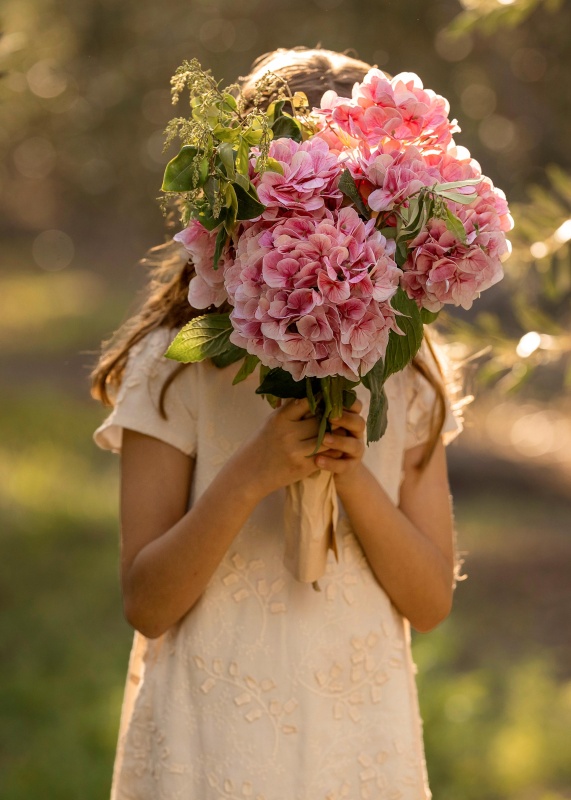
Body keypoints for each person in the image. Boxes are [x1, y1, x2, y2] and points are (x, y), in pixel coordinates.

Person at [92, 47, 464, 800]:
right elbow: (147, 604)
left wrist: (351, 474)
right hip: (212, 739)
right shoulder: (178, 366)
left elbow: (429, 602)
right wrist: (251, 473)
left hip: (356, 742)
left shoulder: (406, 372)